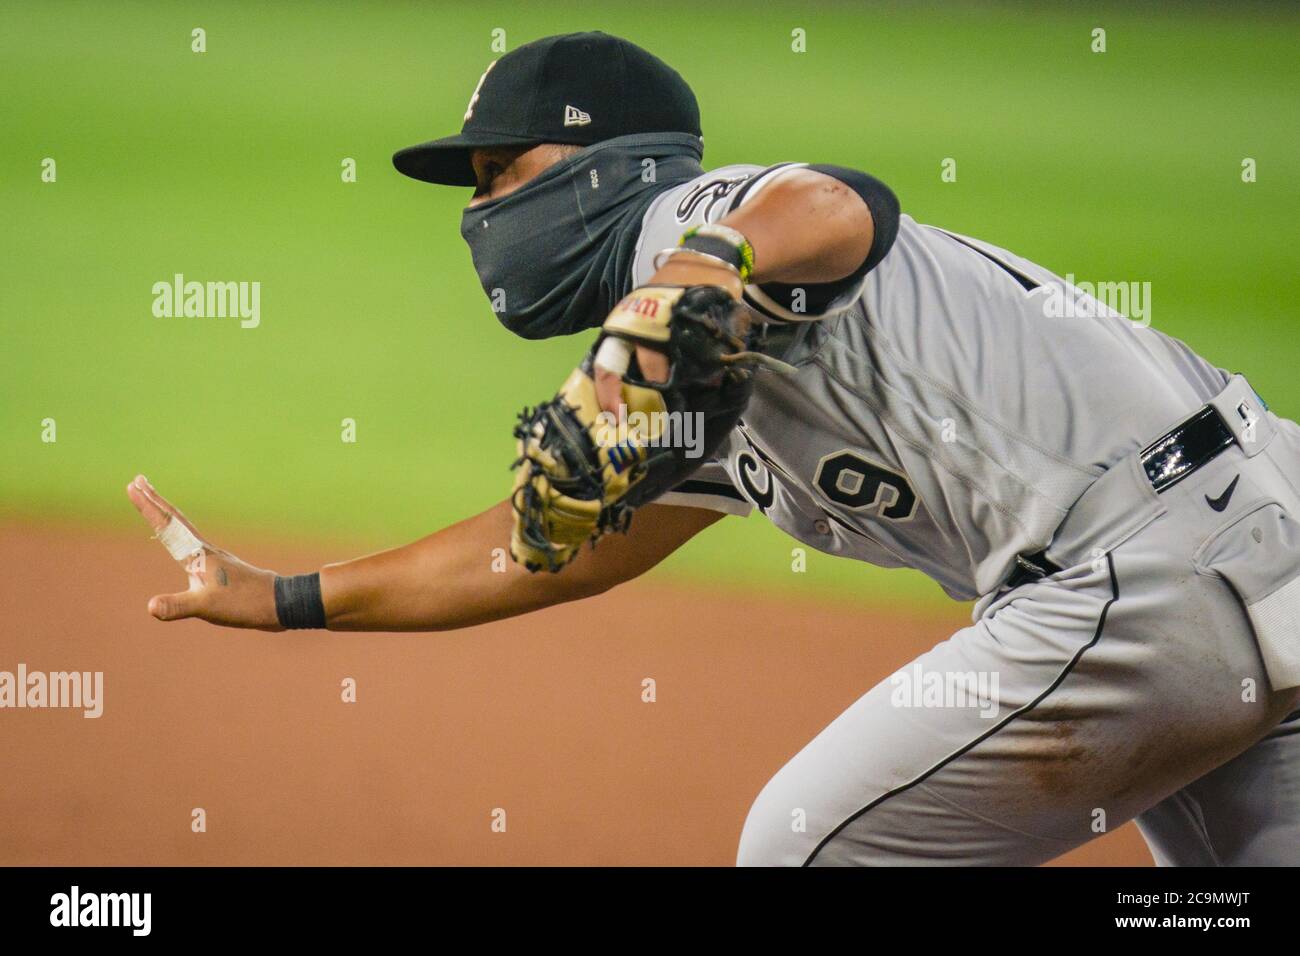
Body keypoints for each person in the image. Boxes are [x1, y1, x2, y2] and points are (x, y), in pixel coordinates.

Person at [129, 32, 1300, 866]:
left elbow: (836, 198)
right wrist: (282, 596)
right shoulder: (688, 375)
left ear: (604, 163)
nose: (477, 210)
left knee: (803, 848)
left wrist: (704, 266)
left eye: (501, 172)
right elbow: (543, 548)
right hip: (1247, 544)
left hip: (1141, 575)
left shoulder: (689, 229)